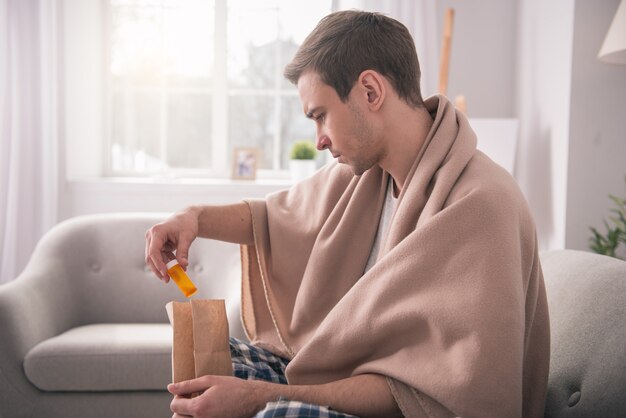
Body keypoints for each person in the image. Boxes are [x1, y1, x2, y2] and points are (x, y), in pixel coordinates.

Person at [145, 10, 550, 418]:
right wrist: (192, 215)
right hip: (347, 380)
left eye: (320, 115)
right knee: (208, 367)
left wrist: (262, 398)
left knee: (272, 413)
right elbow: (274, 218)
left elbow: (427, 394)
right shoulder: (364, 177)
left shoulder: (481, 206)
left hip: (406, 409)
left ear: (370, 92)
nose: (319, 139)